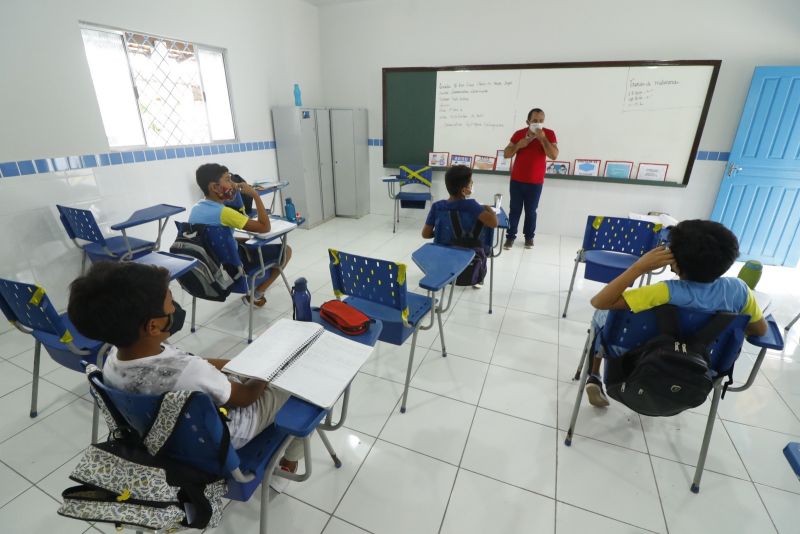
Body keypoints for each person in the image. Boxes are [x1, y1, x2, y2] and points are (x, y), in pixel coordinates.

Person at [67, 261, 302, 489]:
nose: (175, 308)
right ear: (153, 326)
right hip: (230, 435)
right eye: (171, 304)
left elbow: (196, 364)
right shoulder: (188, 373)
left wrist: (242, 363)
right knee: (301, 380)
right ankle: (288, 465)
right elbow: (246, 397)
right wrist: (269, 361)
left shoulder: (111, 361)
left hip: (168, 440)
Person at [584, 219, 768, 407]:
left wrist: (638, 267)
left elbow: (599, 301)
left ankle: (594, 375)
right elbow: (760, 330)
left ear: (674, 263)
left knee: (601, 314)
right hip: (703, 367)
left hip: (636, 361)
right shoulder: (739, 291)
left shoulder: (662, 292)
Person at [190, 163, 292, 307]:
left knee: (248, 241)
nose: (233, 184)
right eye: (227, 180)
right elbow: (265, 227)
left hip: (213, 265)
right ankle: (257, 294)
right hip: (235, 269)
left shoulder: (196, 209)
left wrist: (240, 240)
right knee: (286, 250)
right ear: (214, 187)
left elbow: (211, 240)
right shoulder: (224, 213)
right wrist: (255, 195)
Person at [421, 165, 498, 287]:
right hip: (471, 259)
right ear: (464, 190)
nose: (472, 184)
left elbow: (425, 234)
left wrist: (442, 232)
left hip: (443, 263)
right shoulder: (473, 206)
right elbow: (493, 223)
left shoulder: (437, 207)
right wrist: (490, 210)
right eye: (471, 183)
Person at [502, 108, 559, 249]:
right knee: (514, 210)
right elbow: (506, 154)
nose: (538, 124)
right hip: (517, 180)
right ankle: (510, 237)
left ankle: (529, 238)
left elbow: (554, 155)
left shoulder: (549, 134)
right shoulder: (519, 134)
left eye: (541, 121)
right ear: (528, 121)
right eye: (535, 121)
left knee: (531, 211)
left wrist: (543, 139)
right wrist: (518, 145)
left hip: (535, 182)